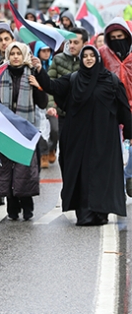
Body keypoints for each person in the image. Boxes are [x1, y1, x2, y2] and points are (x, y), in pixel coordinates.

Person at [32, 45, 130, 225]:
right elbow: (52, 87)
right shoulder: (73, 79)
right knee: (82, 175)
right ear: (82, 59)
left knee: (102, 175)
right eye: (86, 56)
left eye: (93, 56)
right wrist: (39, 70)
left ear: (98, 58)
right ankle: (84, 213)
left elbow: (123, 108)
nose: (89, 59)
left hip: (104, 139)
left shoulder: (111, 81)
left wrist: (129, 132)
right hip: (79, 138)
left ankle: (101, 212)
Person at [0, 43, 48, 220]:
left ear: (25, 55)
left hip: (26, 128)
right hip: (6, 128)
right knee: (7, 167)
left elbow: (42, 103)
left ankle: (27, 205)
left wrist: (38, 84)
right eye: (12, 53)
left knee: (24, 167)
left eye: (19, 53)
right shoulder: (0, 74)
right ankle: (12, 206)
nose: (16, 56)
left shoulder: (32, 73)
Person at [99, 18, 132, 197]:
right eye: (113, 37)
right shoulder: (103, 53)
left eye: (120, 36)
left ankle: (128, 176)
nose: (117, 39)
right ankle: (118, 186)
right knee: (115, 151)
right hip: (110, 109)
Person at [48, 28, 89, 140]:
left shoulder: (90, 62)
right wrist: (52, 105)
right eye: (70, 42)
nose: (72, 46)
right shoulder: (58, 59)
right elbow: (50, 84)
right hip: (63, 113)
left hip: (83, 115)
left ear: (85, 44)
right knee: (64, 148)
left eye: (76, 42)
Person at [34, 41, 57, 168]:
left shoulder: (54, 64)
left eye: (48, 50)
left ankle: (52, 148)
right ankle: (43, 154)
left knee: (55, 129)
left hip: (52, 104)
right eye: (43, 50)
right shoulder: (33, 67)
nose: (46, 53)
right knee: (40, 131)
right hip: (39, 104)